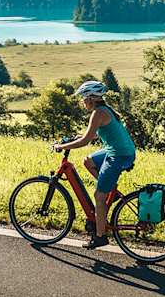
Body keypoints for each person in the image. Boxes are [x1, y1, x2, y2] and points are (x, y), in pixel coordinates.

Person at [53, 80, 137, 249]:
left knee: (98, 196)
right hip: (119, 150)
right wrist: (74, 138)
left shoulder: (98, 112)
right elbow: (92, 135)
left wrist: (62, 146)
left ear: (91, 98)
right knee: (88, 161)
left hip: (119, 155)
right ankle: (109, 192)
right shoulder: (104, 110)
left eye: (83, 98)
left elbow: (85, 141)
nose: (82, 102)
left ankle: (100, 237)